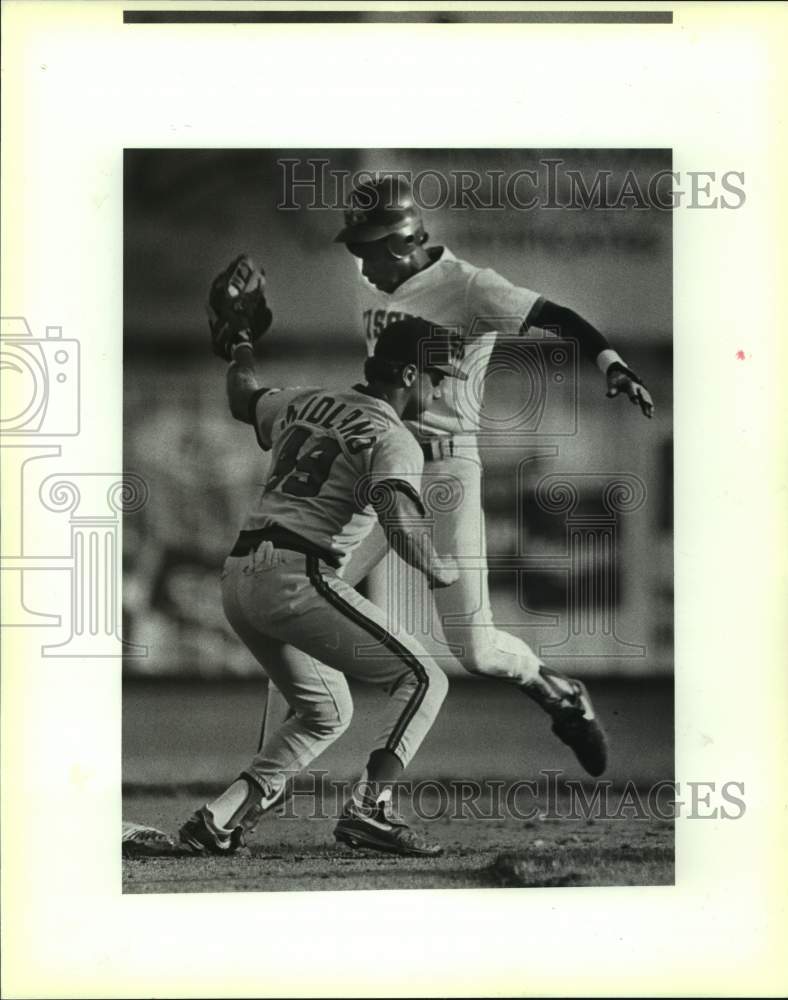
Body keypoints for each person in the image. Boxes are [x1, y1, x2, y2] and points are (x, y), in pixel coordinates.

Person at [261, 173, 656, 780]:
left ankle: (558, 693)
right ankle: (269, 775)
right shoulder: (382, 289)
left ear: (399, 243)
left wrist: (612, 363)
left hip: (444, 469)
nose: (359, 260)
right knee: (297, 596)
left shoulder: (470, 286)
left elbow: (561, 315)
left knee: (474, 650)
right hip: (382, 463)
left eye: (365, 247)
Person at [179, 311, 468, 858]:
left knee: (327, 712)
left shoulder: (303, 400)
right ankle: (370, 809)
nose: (440, 389)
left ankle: (219, 820)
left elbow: (243, 399)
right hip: (295, 575)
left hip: (239, 579)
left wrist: (241, 345)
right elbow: (398, 521)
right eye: (437, 377)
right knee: (424, 679)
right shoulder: (393, 435)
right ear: (408, 375)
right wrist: (441, 570)